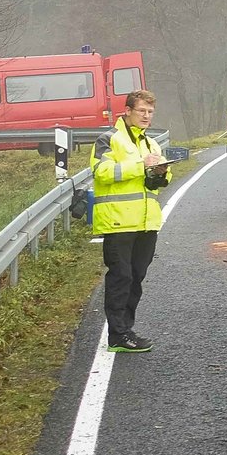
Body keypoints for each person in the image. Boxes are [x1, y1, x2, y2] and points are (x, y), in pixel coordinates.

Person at [91, 90, 167, 353]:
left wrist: (160, 174)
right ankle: (117, 335)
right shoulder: (108, 140)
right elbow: (101, 173)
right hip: (118, 222)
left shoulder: (152, 144)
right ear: (127, 111)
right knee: (121, 278)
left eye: (150, 112)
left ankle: (126, 330)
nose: (146, 116)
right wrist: (141, 165)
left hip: (146, 223)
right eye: (142, 111)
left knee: (136, 278)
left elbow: (153, 184)